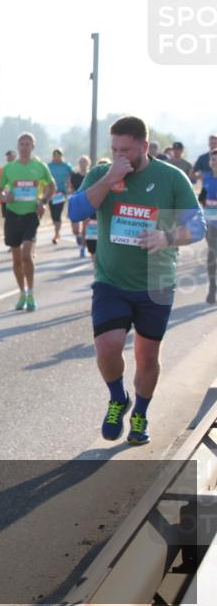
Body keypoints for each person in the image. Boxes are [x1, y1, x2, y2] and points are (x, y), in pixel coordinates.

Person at [68, 116, 205, 445]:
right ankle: (118, 398)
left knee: (147, 356)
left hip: (156, 282)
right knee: (107, 347)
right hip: (111, 280)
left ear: (144, 146)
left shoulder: (171, 178)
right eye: (114, 149)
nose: (119, 156)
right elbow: (74, 212)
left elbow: (197, 226)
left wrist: (167, 237)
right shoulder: (102, 173)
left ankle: (141, 412)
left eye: (126, 150)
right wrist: (110, 178)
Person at [0, 132, 55, 311]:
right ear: (18, 146)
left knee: (26, 255)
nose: (24, 147)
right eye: (21, 144)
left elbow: (51, 187)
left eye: (27, 144)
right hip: (13, 214)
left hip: (31, 214)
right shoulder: (9, 168)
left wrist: (43, 201)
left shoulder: (39, 166)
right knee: (16, 259)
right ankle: (21, 292)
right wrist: (5, 196)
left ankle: (31, 292)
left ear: (33, 147)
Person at [200, 149, 217, 304]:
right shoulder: (207, 178)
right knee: (212, 255)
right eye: (212, 160)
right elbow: (202, 199)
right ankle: (212, 287)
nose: (214, 162)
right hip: (210, 223)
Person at [47, 149, 73, 244]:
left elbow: (72, 176)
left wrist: (70, 186)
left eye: (58, 155)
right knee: (53, 214)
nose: (56, 157)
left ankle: (56, 233)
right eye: (55, 155)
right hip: (51, 192)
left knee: (57, 213)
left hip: (61, 192)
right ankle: (56, 229)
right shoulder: (48, 166)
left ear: (62, 156)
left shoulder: (66, 166)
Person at [69, 155, 92, 257]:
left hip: (87, 202)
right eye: (81, 162)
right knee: (75, 229)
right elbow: (71, 188)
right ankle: (77, 236)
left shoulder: (91, 175)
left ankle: (82, 248)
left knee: (85, 228)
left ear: (88, 163)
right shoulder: (74, 175)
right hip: (76, 201)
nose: (83, 164)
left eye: (85, 162)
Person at [0, 150, 16, 220]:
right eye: (8, 156)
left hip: (17, 195)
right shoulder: (2, 169)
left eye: (11, 156)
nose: (9, 158)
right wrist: (0, 194)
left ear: (15, 157)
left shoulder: (20, 168)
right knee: (6, 216)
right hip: (5, 195)